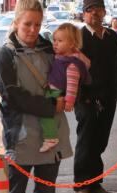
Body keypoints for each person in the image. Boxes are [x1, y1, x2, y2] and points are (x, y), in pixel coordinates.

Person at [0, 0, 72, 193]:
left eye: (37, 24)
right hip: (21, 133)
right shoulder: (4, 54)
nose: (32, 29)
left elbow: (67, 73)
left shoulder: (50, 48)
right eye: (27, 24)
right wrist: (51, 106)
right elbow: (12, 97)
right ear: (16, 22)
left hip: (52, 133)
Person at [73, 0, 117, 193]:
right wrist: (79, 97)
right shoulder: (79, 38)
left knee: (100, 142)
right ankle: (81, 185)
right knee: (86, 141)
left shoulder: (111, 37)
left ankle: (95, 183)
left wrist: (116, 93)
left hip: (108, 97)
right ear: (84, 15)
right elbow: (72, 70)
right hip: (86, 99)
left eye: (98, 10)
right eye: (89, 10)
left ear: (104, 12)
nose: (94, 14)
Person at [38, 22, 90, 152]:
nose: (55, 43)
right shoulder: (63, 57)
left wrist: (69, 102)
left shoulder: (72, 64)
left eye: (60, 41)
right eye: (54, 40)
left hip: (56, 92)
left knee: (46, 115)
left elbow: (72, 85)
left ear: (72, 44)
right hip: (53, 89)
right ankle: (49, 136)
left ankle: (50, 138)